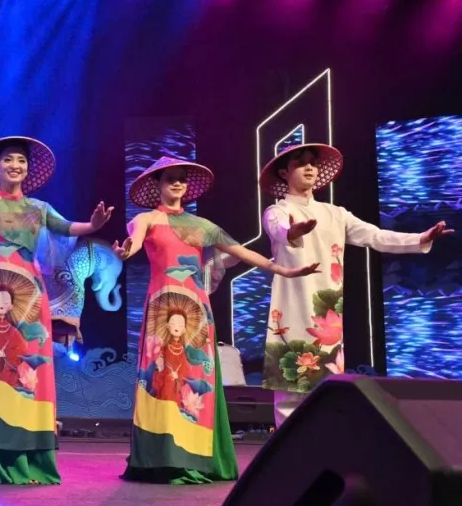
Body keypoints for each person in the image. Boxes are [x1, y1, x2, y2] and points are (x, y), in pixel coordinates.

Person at [115, 156, 317, 484]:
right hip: (163, 312)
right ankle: (159, 458)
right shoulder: (147, 220)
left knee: (196, 381)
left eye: (181, 179)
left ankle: (194, 455)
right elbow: (133, 243)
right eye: (169, 179)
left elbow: (242, 252)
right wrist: (125, 252)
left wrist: (282, 269)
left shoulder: (203, 226)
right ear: (158, 185)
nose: (177, 184)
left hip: (197, 314)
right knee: (162, 380)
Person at [0, 136, 113, 485]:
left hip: (31, 295)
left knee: (29, 368)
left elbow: (69, 227)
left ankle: (31, 453)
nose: (15, 165)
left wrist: (95, 226)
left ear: (27, 169)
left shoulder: (39, 208)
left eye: (20, 161)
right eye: (8, 160)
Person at [259, 143, 451, 425]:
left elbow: (375, 236)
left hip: (327, 312)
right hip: (291, 307)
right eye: (301, 163)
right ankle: (289, 458)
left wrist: (419, 239)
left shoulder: (336, 214)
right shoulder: (278, 211)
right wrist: (293, 232)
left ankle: (326, 453)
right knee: (290, 392)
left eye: (313, 162)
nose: (310, 167)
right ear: (284, 173)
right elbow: (279, 231)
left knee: (326, 392)